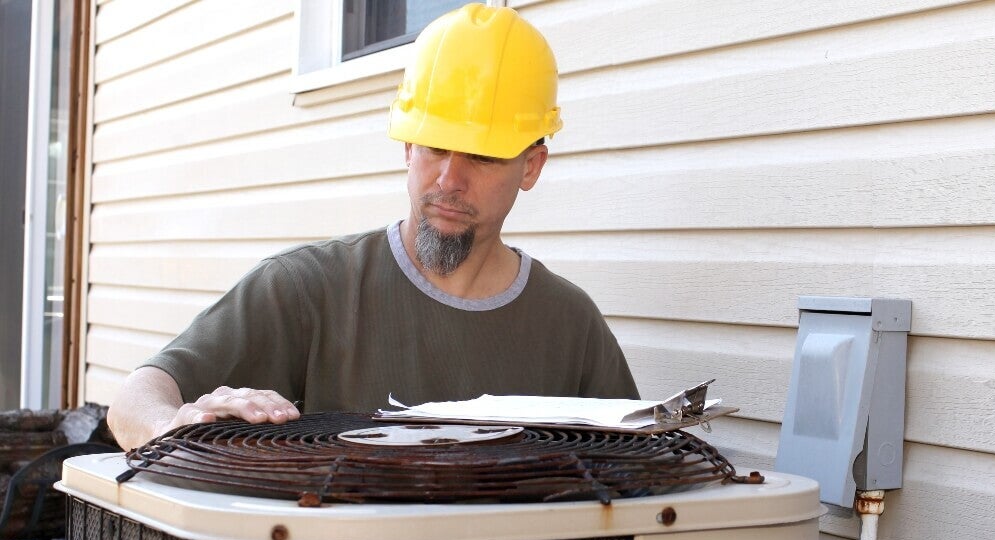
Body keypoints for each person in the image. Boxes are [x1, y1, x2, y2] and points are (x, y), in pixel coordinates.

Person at [106, 4, 638, 451]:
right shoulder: (307, 290)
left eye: (482, 155)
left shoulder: (570, 326)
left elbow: (639, 469)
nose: (449, 179)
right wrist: (173, 425)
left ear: (531, 167)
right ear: (407, 147)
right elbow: (133, 402)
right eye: (433, 146)